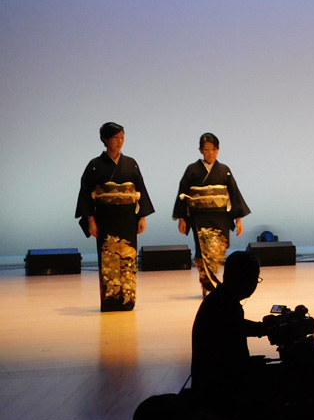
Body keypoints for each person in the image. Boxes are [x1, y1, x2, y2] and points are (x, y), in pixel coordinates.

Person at [76, 122, 155, 312]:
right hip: (105, 217)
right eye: (115, 137)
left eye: (122, 137)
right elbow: (86, 194)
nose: (120, 141)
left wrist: (142, 217)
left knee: (128, 258)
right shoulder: (94, 165)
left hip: (128, 217)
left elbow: (140, 190)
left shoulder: (131, 163)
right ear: (105, 139)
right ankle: (110, 300)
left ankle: (128, 299)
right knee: (109, 258)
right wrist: (91, 221)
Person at [172, 132, 251, 295]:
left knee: (219, 249)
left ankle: (208, 281)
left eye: (214, 150)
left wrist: (238, 219)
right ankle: (207, 285)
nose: (210, 153)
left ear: (218, 150)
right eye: (207, 150)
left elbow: (234, 193)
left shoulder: (224, 170)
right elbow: (183, 192)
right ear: (200, 150)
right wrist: (181, 218)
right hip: (199, 217)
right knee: (204, 250)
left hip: (220, 216)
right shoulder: (192, 169)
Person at [189, 249, 269, 402]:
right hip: (219, 392)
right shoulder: (226, 305)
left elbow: (235, 327)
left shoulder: (219, 300)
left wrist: (261, 328)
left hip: (209, 386)